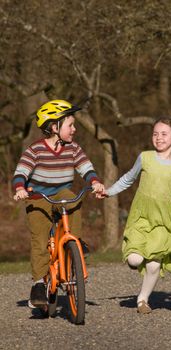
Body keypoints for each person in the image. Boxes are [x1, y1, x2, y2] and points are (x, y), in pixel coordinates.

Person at [105, 117, 171, 314]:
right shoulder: (145, 157)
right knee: (134, 259)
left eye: (164, 134)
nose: (158, 138)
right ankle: (139, 260)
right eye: (155, 134)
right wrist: (108, 191)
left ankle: (143, 300)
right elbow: (127, 179)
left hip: (163, 222)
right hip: (141, 217)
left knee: (153, 265)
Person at [13, 99, 105, 308]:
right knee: (40, 237)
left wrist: (95, 182)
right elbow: (21, 172)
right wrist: (20, 188)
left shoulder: (73, 148)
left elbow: (85, 167)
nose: (74, 129)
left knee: (72, 197)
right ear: (54, 127)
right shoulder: (35, 149)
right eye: (70, 125)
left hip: (60, 194)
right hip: (38, 197)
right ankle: (38, 285)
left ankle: (75, 243)